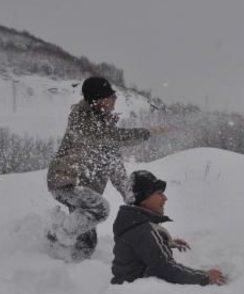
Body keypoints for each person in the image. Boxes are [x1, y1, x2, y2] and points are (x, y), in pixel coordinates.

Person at [47, 76, 167, 260]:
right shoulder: (81, 122)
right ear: (98, 100)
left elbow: (115, 167)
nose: (115, 100)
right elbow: (107, 136)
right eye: (110, 96)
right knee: (101, 208)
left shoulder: (105, 128)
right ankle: (57, 235)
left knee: (87, 244)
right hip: (65, 184)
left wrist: (130, 196)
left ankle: (59, 261)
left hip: (85, 192)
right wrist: (145, 133)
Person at [110, 170, 226, 286]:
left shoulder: (133, 224)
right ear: (143, 198)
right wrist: (205, 277)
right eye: (159, 193)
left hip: (126, 293)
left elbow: (142, 252)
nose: (165, 198)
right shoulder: (143, 230)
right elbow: (166, 269)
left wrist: (164, 243)